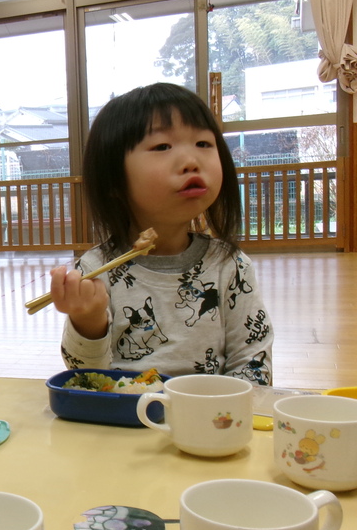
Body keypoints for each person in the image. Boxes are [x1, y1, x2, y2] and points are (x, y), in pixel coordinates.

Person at [49, 82, 273, 385]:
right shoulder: (96, 270)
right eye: (162, 147)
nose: (192, 161)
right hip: (126, 418)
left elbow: (252, 361)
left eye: (204, 144)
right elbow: (87, 377)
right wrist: (88, 322)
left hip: (209, 417)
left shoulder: (231, 265)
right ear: (113, 180)